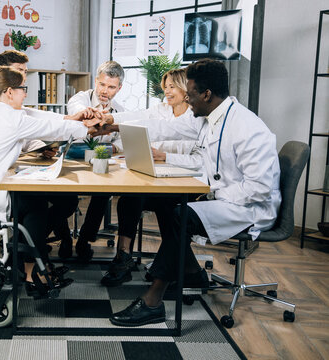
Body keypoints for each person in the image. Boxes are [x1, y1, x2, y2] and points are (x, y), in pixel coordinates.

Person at [94, 59, 281, 326]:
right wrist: (113, 123)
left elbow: (259, 189)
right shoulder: (209, 118)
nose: (187, 100)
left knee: (182, 215)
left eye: (190, 94)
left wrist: (213, 194)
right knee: (164, 200)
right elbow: (162, 126)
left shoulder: (248, 128)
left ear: (206, 94)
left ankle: (152, 301)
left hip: (248, 208)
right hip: (226, 197)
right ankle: (192, 273)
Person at [0, 66, 93, 296]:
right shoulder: (10, 119)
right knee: (35, 205)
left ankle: (28, 264)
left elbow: (36, 115)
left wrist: (72, 118)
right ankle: (31, 271)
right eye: (23, 88)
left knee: (31, 200)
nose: (25, 93)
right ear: (9, 92)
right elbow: (53, 128)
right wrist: (87, 126)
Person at [98, 68, 205, 287]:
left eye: (172, 86)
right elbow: (139, 117)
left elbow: (167, 133)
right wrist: (112, 126)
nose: (167, 91)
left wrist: (165, 155)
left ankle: (174, 265)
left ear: (187, 90)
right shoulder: (161, 109)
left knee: (168, 207)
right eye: (165, 86)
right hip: (160, 177)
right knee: (131, 198)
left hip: (187, 180)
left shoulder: (195, 117)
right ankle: (123, 256)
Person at [0, 50, 85, 258]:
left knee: (64, 197)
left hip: (8, 173)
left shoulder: (9, 104)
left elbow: (30, 128)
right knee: (41, 200)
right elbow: (34, 124)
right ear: (2, 73)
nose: (24, 76)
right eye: (19, 71)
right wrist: (83, 125)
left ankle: (29, 245)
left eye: (25, 71)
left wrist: (41, 147)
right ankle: (28, 250)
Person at [57, 60, 125, 262]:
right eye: (102, 84)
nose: (105, 91)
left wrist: (114, 147)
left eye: (111, 87)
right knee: (59, 195)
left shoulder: (119, 110)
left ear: (119, 88)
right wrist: (89, 113)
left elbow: (122, 138)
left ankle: (85, 240)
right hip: (72, 159)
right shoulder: (81, 98)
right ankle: (64, 239)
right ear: (96, 81)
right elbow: (75, 106)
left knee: (103, 193)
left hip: (99, 161)